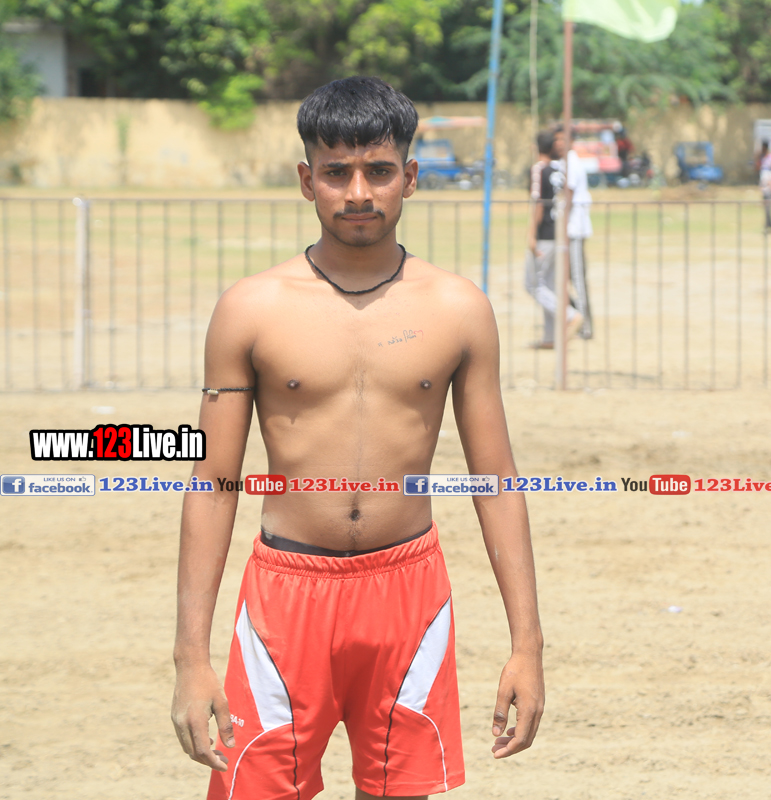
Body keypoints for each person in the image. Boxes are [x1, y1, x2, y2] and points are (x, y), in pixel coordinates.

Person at [170, 76, 544, 800]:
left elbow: (496, 484)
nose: (359, 192)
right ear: (306, 180)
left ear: (411, 176)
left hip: (409, 593)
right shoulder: (250, 308)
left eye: (379, 170)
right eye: (337, 172)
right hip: (285, 594)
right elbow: (212, 486)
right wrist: (191, 657)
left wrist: (527, 645)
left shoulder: (458, 309)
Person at [526, 128, 582, 348]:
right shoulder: (557, 170)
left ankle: (570, 315)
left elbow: (539, 203)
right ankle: (550, 337)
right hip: (557, 231)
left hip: (544, 234)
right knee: (547, 284)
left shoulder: (539, 169)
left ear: (536, 148)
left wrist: (531, 234)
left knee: (532, 285)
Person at [563, 132, 594, 339]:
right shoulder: (566, 161)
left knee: (577, 279)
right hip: (570, 228)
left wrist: (561, 225)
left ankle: (585, 325)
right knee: (563, 277)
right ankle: (576, 317)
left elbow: (570, 194)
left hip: (573, 229)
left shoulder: (571, 162)